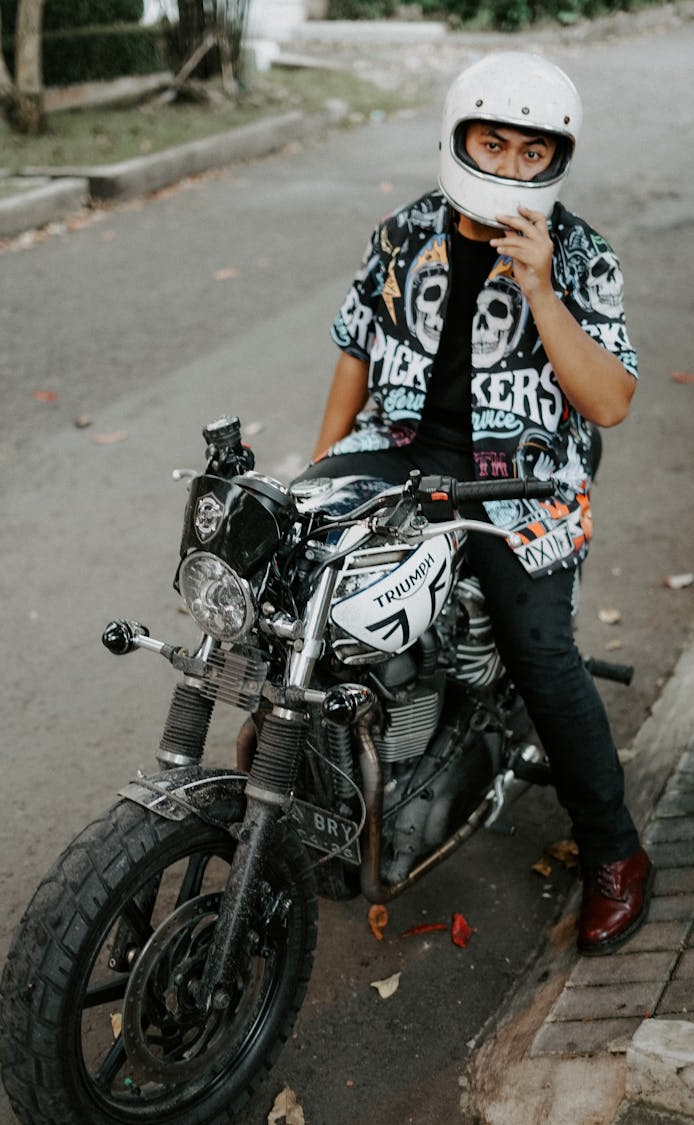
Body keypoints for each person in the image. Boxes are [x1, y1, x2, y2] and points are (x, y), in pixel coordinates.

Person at [297, 51, 652, 956]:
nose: (509, 166)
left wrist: (539, 287)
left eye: (532, 152)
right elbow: (354, 346)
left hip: (519, 474)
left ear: (556, 157)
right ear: (458, 138)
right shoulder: (400, 233)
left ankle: (615, 851)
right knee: (289, 580)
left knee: (539, 648)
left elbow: (608, 401)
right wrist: (323, 470)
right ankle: (298, 774)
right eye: (491, 143)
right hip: (397, 449)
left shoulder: (581, 255)